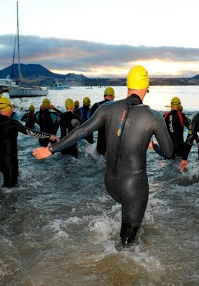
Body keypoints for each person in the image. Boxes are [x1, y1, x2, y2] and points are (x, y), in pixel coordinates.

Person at [33, 65, 173, 245]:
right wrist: (153, 146)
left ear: (128, 85)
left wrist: (51, 150)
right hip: (133, 187)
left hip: (110, 183)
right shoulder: (153, 117)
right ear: (147, 87)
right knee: (127, 244)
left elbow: (81, 131)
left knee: (122, 220)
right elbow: (169, 153)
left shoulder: (107, 108)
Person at [91, 86, 115, 155]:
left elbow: (90, 124)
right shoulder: (116, 106)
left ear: (104, 96)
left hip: (100, 143)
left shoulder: (96, 106)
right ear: (113, 96)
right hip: (112, 144)